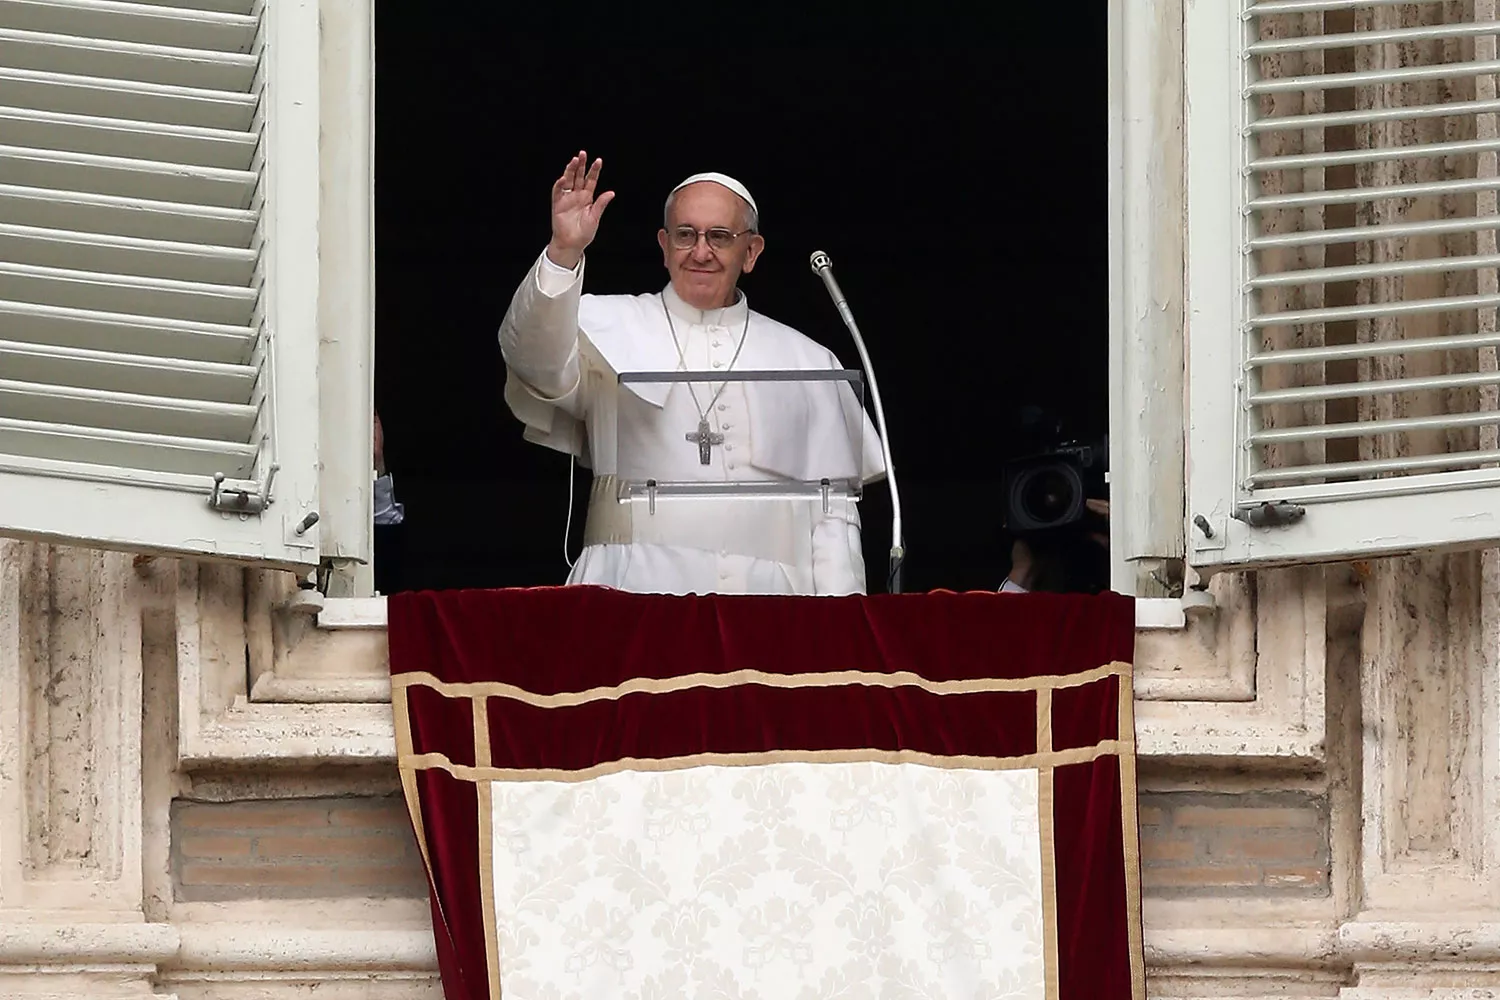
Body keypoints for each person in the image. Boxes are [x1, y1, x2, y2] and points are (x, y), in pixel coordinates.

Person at [499, 152, 885, 596]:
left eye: (719, 236)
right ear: (664, 246)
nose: (701, 252)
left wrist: (841, 633)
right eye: (686, 235)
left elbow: (833, 516)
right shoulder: (600, 324)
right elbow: (532, 361)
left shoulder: (807, 360)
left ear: (751, 252)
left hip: (772, 604)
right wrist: (563, 253)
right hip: (629, 591)